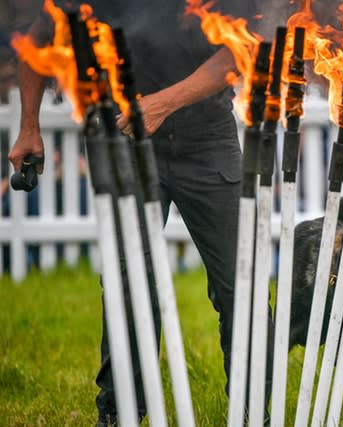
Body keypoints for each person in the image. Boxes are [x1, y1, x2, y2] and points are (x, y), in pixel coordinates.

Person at [8, 0, 270, 425]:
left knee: (242, 282)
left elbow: (239, 50)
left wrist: (162, 104)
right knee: (129, 282)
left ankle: (255, 411)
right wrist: (29, 127)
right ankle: (119, 413)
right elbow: (38, 38)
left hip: (207, 139)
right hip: (123, 139)